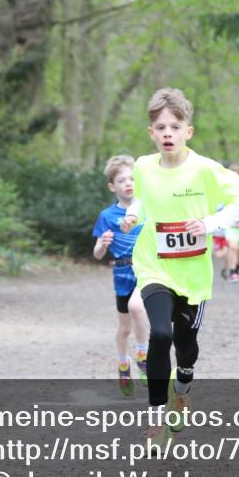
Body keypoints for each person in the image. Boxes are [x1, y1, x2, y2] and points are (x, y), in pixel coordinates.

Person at [121, 88, 239, 446]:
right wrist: (132, 215)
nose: (167, 133)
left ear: (187, 132)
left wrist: (209, 224)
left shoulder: (206, 170)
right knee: (160, 335)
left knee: (186, 346)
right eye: (160, 127)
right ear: (151, 133)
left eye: (175, 126)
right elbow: (143, 200)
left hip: (193, 275)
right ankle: (155, 420)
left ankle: (184, 386)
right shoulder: (143, 166)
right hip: (154, 266)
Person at [91, 155, 149, 397]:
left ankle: (143, 356)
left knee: (139, 309)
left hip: (145, 270)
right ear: (112, 186)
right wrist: (103, 245)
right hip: (122, 273)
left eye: (132, 178)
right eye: (122, 180)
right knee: (124, 328)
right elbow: (97, 254)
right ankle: (123, 365)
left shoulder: (147, 209)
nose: (128, 183)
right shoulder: (107, 216)